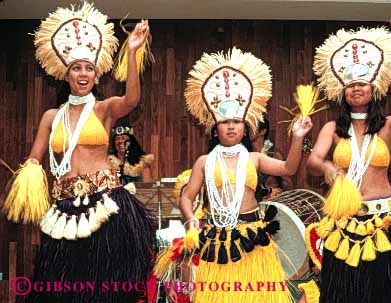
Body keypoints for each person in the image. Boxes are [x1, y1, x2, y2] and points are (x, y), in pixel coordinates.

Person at [2, 3, 156, 302]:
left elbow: (132, 99)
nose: (83, 73)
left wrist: (134, 52)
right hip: (64, 208)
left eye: (89, 68)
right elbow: (35, 157)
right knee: (65, 290)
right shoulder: (51, 117)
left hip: (105, 204)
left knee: (102, 288)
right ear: (67, 73)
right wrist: (27, 180)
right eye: (76, 67)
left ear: (96, 75)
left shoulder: (104, 108)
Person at [179, 47, 312, 303]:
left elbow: (289, 169)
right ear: (215, 129)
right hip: (218, 239)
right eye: (225, 122)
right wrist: (189, 220)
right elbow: (187, 196)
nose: (231, 126)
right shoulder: (205, 162)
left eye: (237, 121)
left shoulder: (255, 159)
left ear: (245, 127)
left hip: (253, 238)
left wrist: (297, 138)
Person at [305, 27, 391, 302]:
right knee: (345, 293)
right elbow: (313, 160)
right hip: (346, 222)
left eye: (362, 84)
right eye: (350, 85)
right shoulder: (333, 128)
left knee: (388, 293)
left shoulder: (388, 126)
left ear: (373, 88)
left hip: (383, 222)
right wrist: (327, 168)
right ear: (343, 92)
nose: (356, 88)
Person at [250, 117, 294, 201]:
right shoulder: (246, 153)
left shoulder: (274, 154)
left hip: (271, 199)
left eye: (252, 127)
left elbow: (287, 182)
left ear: (263, 131)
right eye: (248, 127)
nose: (248, 130)